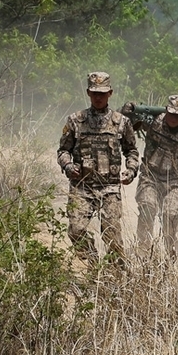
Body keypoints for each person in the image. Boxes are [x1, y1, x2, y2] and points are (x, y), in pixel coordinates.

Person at [56, 72, 138, 264]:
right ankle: (93, 265)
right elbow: (63, 151)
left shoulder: (121, 122)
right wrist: (68, 165)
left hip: (109, 188)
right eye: (94, 93)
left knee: (112, 235)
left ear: (110, 93)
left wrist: (131, 170)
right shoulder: (76, 120)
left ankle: (116, 274)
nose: (98, 97)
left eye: (102, 93)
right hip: (82, 187)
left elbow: (132, 151)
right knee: (75, 231)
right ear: (88, 93)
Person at [131, 94, 178, 257]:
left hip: (174, 181)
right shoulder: (154, 121)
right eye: (171, 113)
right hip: (150, 176)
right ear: (166, 110)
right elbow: (128, 124)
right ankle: (143, 251)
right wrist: (130, 111)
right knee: (147, 207)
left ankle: (170, 251)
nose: (173, 118)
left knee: (170, 214)